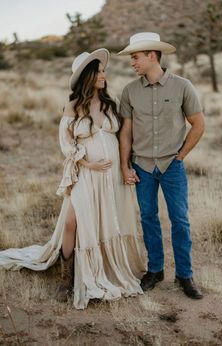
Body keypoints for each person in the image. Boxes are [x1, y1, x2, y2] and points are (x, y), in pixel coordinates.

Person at [0, 48, 146, 309]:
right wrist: (87, 162)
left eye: (104, 71)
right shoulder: (73, 106)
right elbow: (65, 143)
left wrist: (126, 166)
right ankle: (66, 278)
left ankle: (109, 267)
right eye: (99, 72)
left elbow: (124, 137)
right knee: (71, 222)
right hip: (87, 173)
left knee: (107, 220)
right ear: (87, 77)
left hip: (111, 176)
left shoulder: (109, 104)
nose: (104, 76)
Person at [118, 32, 205, 299]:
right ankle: (155, 270)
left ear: (152, 55)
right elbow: (126, 133)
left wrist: (180, 156)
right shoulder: (130, 91)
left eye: (136, 57)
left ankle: (184, 275)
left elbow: (198, 125)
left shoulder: (182, 86)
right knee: (148, 218)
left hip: (172, 166)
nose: (132, 63)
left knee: (180, 220)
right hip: (142, 166)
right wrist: (125, 166)